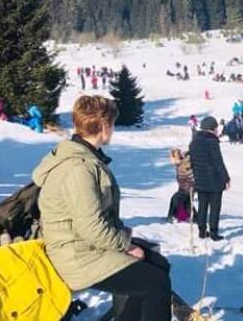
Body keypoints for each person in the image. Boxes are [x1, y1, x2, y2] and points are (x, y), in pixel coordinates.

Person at [32, 95, 171, 321]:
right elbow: (91, 226)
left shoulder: (83, 158)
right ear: (104, 127)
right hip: (76, 257)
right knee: (155, 283)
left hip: (86, 247)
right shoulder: (78, 168)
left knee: (157, 264)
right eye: (113, 124)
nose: (113, 130)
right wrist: (124, 244)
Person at [190, 116, 231, 240]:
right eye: (216, 128)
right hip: (214, 181)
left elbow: (192, 162)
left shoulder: (194, 141)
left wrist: (196, 176)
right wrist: (226, 179)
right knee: (214, 207)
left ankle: (202, 231)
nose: (217, 131)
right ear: (211, 129)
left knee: (202, 206)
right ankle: (213, 232)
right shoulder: (212, 142)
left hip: (200, 179)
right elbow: (218, 162)